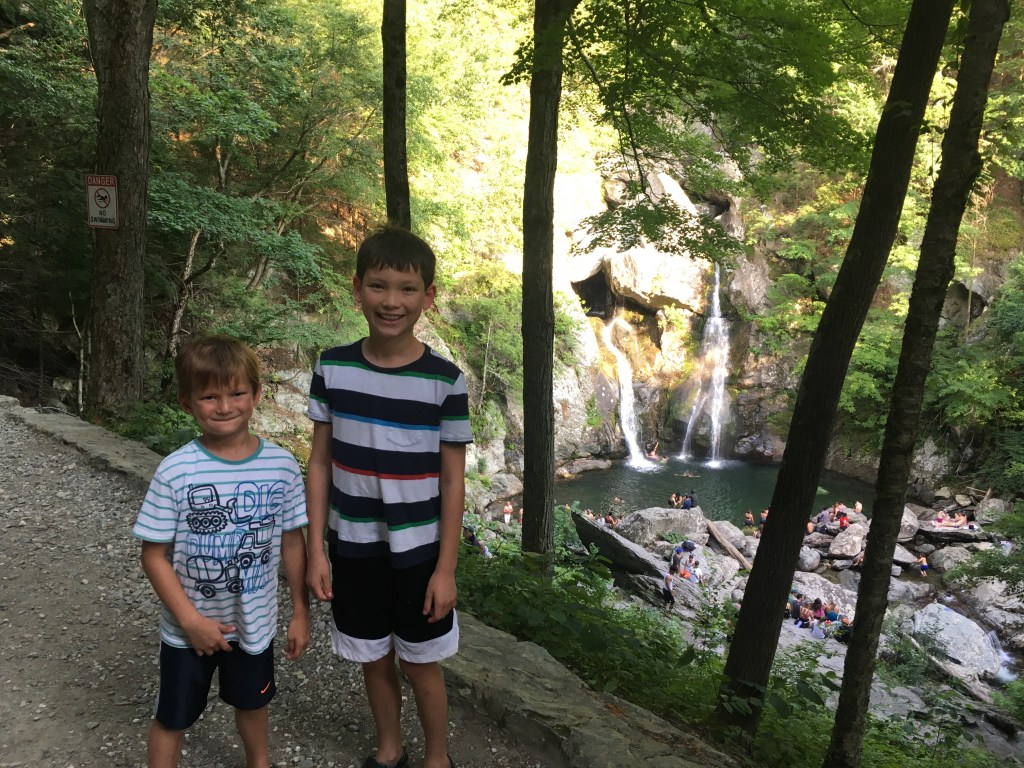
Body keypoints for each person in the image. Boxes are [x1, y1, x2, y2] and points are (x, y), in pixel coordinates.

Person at [305, 227, 471, 768]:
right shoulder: (332, 367)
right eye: (378, 286)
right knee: (372, 658)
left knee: (420, 662)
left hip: (419, 553)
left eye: (407, 289)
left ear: (428, 297)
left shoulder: (445, 381)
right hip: (352, 546)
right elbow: (319, 462)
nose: (391, 301)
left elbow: (452, 481)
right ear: (357, 289)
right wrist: (315, 551)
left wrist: (446, 570)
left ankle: (437, 758)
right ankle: (389, 750)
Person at [132, 335, 310, 768]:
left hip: (255, 624)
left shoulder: (282, 466)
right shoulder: (176, 470)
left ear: (257, 394)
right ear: (187, 403)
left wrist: (300, 612)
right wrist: (190, 621)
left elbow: (292, 541)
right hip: (186, 630)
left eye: (237, 393)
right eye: (209, 396)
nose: (225, 406)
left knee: (253, 703)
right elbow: (153, 555)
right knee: (172, 716)